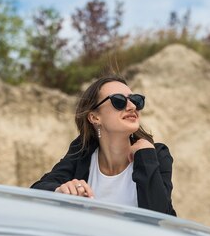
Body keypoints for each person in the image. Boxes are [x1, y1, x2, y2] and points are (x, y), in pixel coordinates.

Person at [31, 75, 176, 216]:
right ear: (94, 117)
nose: (132, 106)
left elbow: (159, 217)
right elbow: (36, 191)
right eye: (119, 101)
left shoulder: (156, 155)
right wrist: (60, 191)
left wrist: (145, 157)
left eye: (136, 100)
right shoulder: (82, 152)